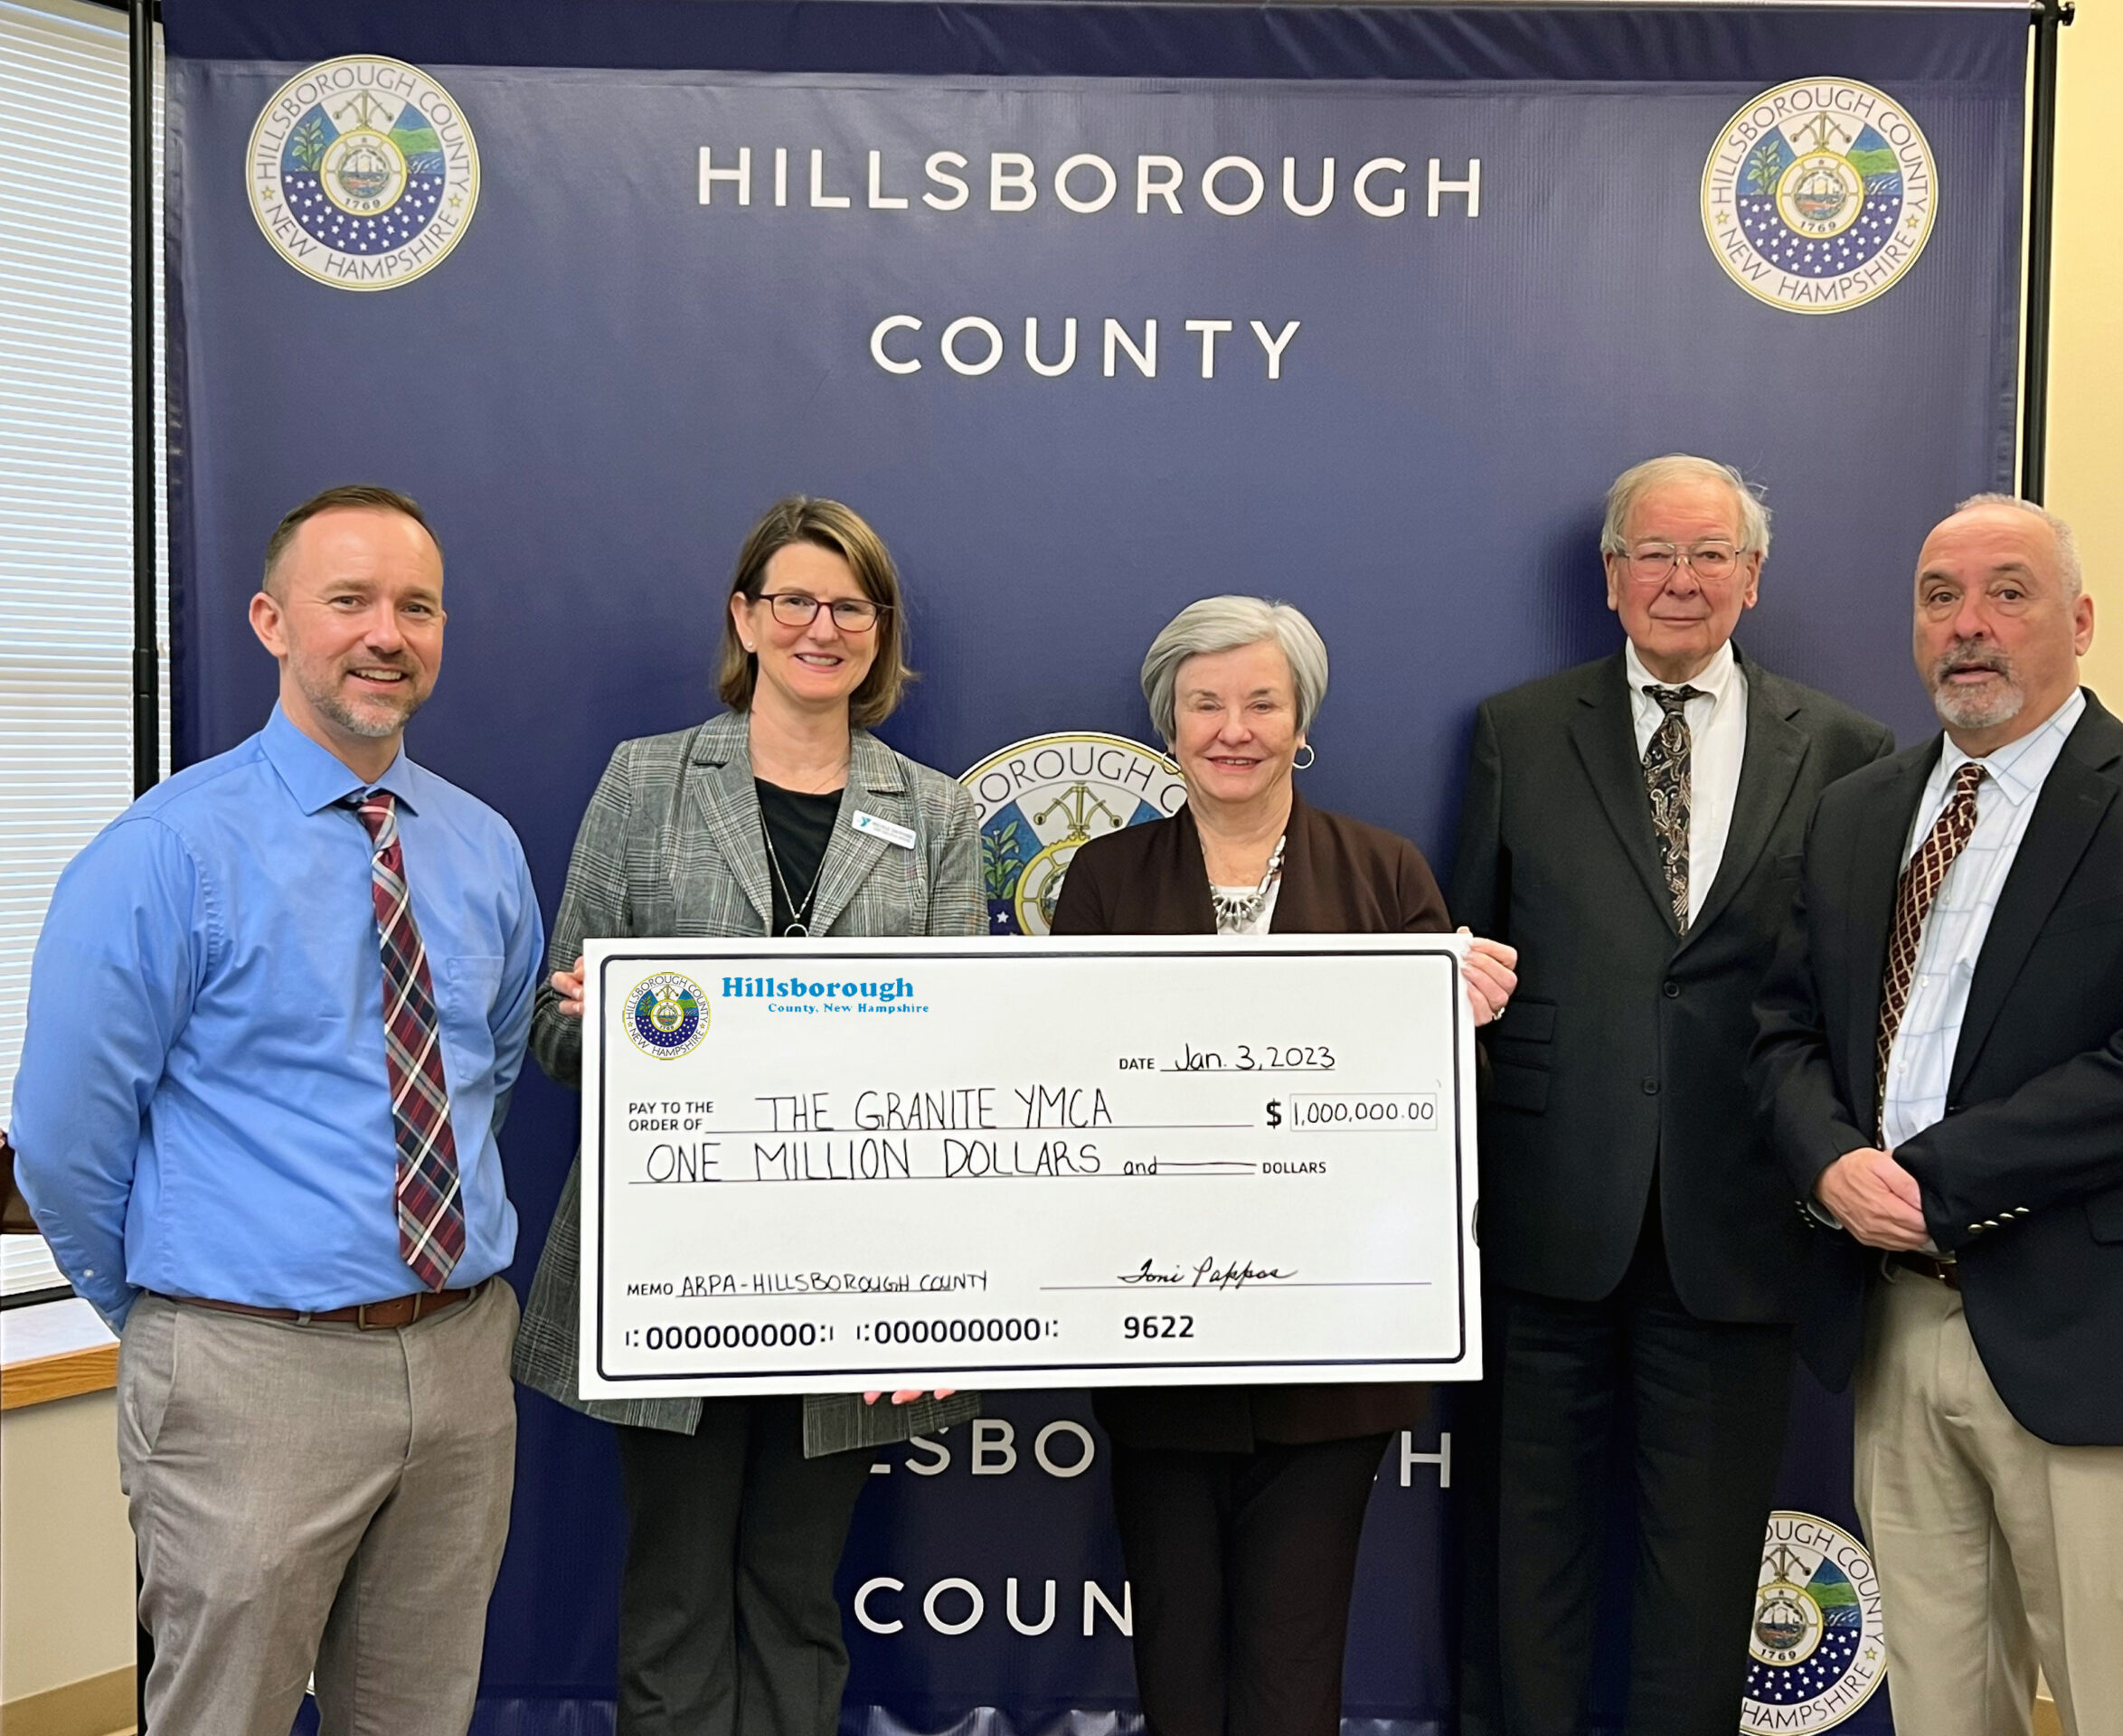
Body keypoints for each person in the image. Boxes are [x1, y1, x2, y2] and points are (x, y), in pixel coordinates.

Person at [13, 485, 544, 1734]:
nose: (385, 634)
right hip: (246, 1369)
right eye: (347, 600)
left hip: (461, 1361)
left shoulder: (481, 849)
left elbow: (488, 1080)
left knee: (417, 1715)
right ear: (270, 620)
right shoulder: (167, 853)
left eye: (416, 606)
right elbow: (63, 1141)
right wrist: (167, 1325)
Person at [1752, 495, 2123, 1736]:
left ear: (2080, 620)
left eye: (2007, 592)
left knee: (2118, 1702)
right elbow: (1783, 1030)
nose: (1968, 626)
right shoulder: (1858, 811)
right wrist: (1831, 1167)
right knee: (1940, 1699)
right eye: (1940, 596)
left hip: (2097, 1326)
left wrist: (1935, 1174)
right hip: (1895, 1323)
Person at [510, 495, 983, 1735]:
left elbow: (958, 1079)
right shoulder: (648, 780)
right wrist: (598, 1018)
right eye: (794, 600)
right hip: (674, 1279)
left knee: (794, 1599)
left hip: (851, 1288)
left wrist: (924, 1301)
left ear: (880, 633)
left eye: (850, 606)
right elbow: (554, 1035)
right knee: (671, 1602)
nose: (821, 627)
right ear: (745, 617)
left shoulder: (934, 813)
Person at [1448, 454, 1892, 1736]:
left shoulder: (1848, 750)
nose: (1680, 580)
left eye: (1709, 555)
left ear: (1753, 579)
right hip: (1545, 1218)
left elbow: (1849, 997)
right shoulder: (1517, 733)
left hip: (1741, 1221)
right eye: (1654, 553)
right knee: (1530, 1558)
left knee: (1703, 1577)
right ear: (1610, 577)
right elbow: (1470, 976)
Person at [1052, 594, 1517, 1736]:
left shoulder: (1382, 871)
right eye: (1205, 703)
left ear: (1300, 718)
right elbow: (1060, 1095)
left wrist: (1459, 1029)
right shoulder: (1106, 881)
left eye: (1261, 701)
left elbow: (1450, 1121)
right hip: (1157, 1344)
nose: (1233, 728)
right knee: (1175, 1652)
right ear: (1169, 723)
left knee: (1293, 1664)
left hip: (1331, 1361)